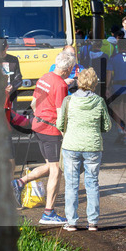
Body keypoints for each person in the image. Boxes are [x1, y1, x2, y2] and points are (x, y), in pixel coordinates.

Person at [57, 68, 111, 231]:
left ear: (78, 82)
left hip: (71, 145)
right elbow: (107, 126)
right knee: (92, 182)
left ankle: (72, 221)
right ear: (95, 84)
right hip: (93, 146)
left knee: (71, 184)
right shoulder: (100, 101)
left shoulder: (68, 100)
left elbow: (60, 124)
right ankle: (93, 221)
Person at [29, 50, 76, 225]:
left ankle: (20, 182)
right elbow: (60, 114)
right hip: (50, 130)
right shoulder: (61, 85)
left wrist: (40, 116)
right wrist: (67, 137)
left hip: (38, 125)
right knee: (56, 170)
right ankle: (48, 213)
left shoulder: (44, 77)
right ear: (69, 68)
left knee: (50, 165)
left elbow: (34, 103)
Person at [106, 39, 126, 143]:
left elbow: (109, 74)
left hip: (117, 87)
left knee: (116, 109)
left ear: (118, 46)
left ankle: (120, 129)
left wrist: (107, 87)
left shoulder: (113, 58)